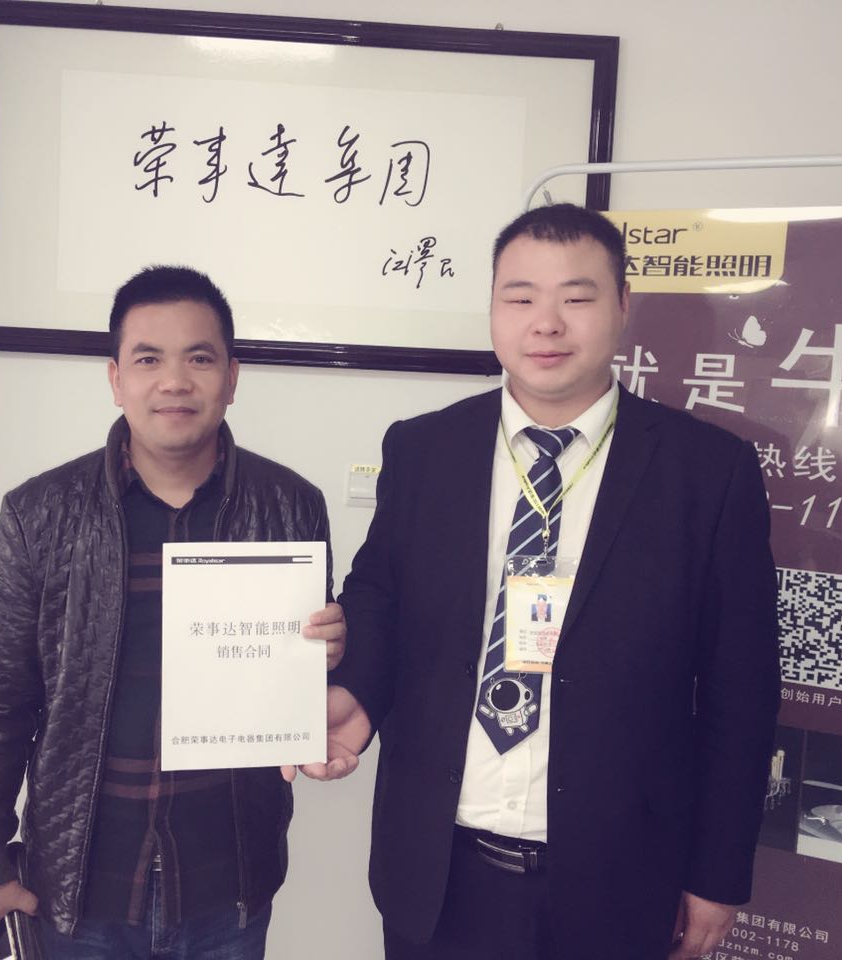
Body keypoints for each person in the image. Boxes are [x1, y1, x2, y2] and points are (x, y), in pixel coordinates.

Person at [312, 204, 780, 959]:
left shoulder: (708, 472)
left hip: (619, 878)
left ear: (623, 305)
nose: (546, 323)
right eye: (521, 297)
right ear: (494, 309)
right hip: (437, 869)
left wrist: (718, 873)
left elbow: (742, 691)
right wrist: (357, 693)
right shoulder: (425, 449)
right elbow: (381, 598)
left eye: (577, 297)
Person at [0, 265, 346, 960]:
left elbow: (290, 691)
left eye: (200, 358)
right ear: (115, 378)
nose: (175, 381)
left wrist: (328, 654)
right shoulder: (39, 514)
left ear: (233, 376)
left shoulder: (290, 505)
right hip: (79, 891)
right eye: (149, 359)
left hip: (228, 888)